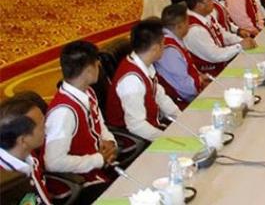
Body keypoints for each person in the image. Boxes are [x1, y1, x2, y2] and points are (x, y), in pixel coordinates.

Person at [44, 41, 117, 202]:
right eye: (97, 64)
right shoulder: (63, 113)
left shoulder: (88, 92)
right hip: (79, 184)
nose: (99, 66)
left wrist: (110, 142)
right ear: (89, 69)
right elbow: (53, 162)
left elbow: (100, 125)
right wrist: (97, 159)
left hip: (97, 170)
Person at [105, 19, 180, 141]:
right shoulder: (131, 81)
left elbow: (160, 96)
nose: (165, 46)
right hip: (138, 140)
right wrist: (169, 139)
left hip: (153, 128)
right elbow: (136, 126)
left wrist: (181, 119)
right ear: (156, 48)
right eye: (163, 43)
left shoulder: (145, 63)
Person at [184, 0, 254, 75]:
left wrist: (242, 41)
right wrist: (239, 46)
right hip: (212, 76)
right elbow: (215, 55)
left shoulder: (206, 16)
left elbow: (223, 34)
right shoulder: (194, 30)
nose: (213, 2)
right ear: (199, 5)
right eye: (209, 0)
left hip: (223, 64)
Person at [154, 3, 211, 107]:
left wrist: (200, 77)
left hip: (191, 89)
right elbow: (185, 87)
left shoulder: (173, 39)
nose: (189, 25)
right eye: (187, 22)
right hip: (182, 101)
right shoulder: (169, 50)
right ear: (179, 26)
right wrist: (202, 84)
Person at [0, 92, 51, 205]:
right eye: (42, 126)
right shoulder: (5, 186)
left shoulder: (28, 154)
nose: (47, 128)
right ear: (23, 140)